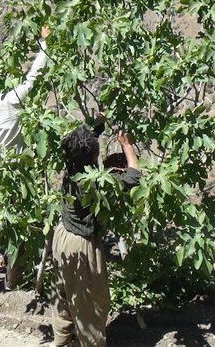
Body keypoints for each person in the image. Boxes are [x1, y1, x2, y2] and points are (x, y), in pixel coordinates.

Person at [0, 26, 51, 291]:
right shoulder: (11, 101)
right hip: (15, 176)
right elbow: (34, 77)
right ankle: (13, 281)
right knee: (16, 230)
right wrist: (45, 45)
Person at [50, 126, 141, 347]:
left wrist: (100, 122)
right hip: (81, 247)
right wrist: (127, 146)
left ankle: (63, 341)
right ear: (92, 156)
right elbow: (134, 177)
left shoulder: (72, 166)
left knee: (63, 295)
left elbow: (83, 140)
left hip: (61, 237)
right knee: (89, 303)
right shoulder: (93, 184)